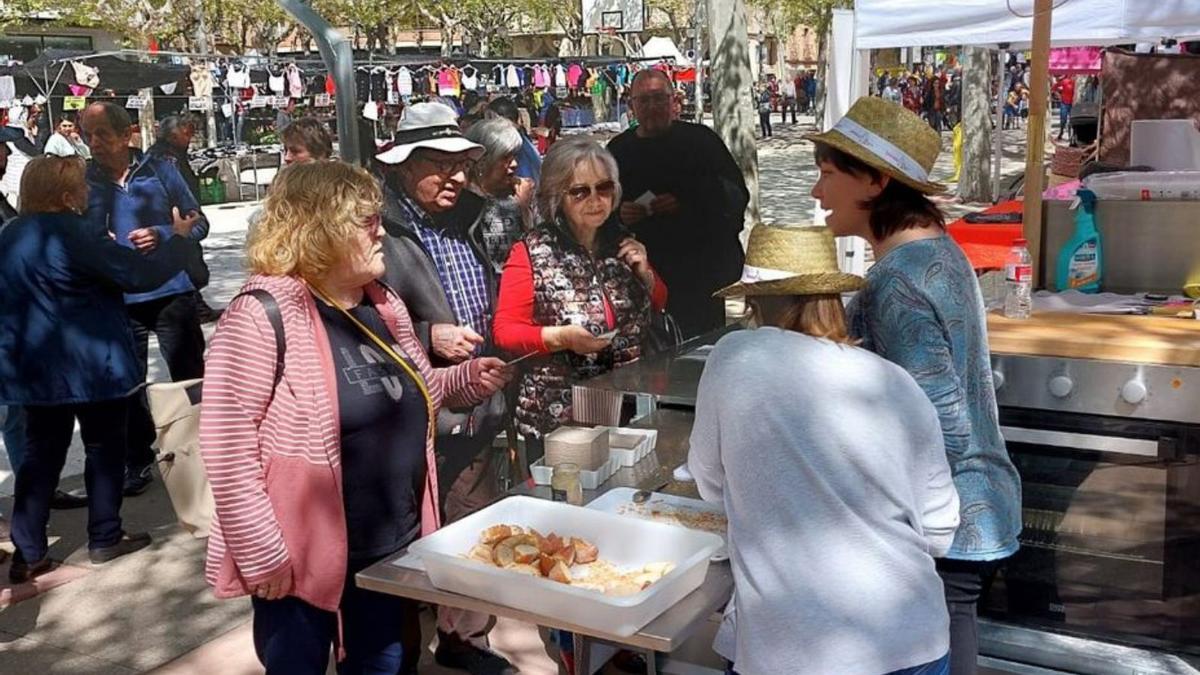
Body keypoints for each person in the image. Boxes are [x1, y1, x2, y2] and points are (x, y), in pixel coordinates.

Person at [200, 160, 512, 675]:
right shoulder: (260, 314)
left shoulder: (382, 303)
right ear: (320, 229)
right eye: (368, 221)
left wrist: (467, 379)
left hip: (389, 543)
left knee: (387, 664)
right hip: (299, 555)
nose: (382, 231)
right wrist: (260, 552)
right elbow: (227, 449)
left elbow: (417, 393)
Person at [806, 97, 1022, 675]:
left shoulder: (896, 281)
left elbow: (939, 421)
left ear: (875, 182)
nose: (815, 192)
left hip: (946, 524)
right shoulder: (941, 252)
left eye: (828, 174)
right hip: (977, 507)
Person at [689, 225, 959, 675]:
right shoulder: (895, 383)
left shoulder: (734, 356)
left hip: (793, 651)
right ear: (834, 297)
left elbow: (710, 484)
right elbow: (939, 531)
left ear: (754, 303)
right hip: (912, 639)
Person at [0, 155, 203, 582]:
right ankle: (105, 535)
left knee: (40, 454)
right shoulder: (79, 233)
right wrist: (180, 240)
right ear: (67, 195)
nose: (89, 192)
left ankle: (28, 549)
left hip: (36, 367)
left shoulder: (10, 234)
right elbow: (137, 275)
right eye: (82, 186)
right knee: (104, 449)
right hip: (92, 364)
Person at [373, 102, 516, 675]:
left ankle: (463, 638)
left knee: (471, 516)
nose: (457, 176)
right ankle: (403, 643)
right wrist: (429, 333)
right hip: (414, 405)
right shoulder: (380, 228)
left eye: (463, 162)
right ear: (405, 167)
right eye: (441, 163)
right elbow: (355, 312)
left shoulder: (472, 217)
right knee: (409, 534)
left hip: (478, 396)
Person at [494, 136, 667, 443]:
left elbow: (659, 302)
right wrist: (560, 338)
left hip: (628, 404)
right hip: (561, 418)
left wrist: (645, 273)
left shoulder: (622, 240)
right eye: (580, 191)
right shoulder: (531, 251)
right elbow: (505, 331)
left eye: (604, 188)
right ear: (557, 195)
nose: (595, 199)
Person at [81, 101, 210, 497]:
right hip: (119, 296)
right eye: (88, 135)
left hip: (171, 290)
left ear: (126, 135)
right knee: (127, 384)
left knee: (190, 377)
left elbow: (199, 223)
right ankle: (138, 460)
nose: (95, 143)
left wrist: (165, 233)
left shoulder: (161, 170)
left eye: (102, 133)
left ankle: (210, 451)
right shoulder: (84, 181)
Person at [607, 69, 748, 339]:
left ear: (674, 102)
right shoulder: (617, 151)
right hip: (640, 273)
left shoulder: (702, 142)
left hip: (699, 272)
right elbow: (597, 207)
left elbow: (734, 195)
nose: (652, 107)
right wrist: (619, 212)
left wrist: (686, 204)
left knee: (701, 349)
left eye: (659, 98)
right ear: (631, 105)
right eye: (644, 100)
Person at [464, 117, 534, 268]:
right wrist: (519, 206)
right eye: (505, 158)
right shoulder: (466, 203)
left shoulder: (513, 191)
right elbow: (502, 259)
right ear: (482, 162)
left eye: (515, 156)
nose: (514, 164)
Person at [486, 97, 542, 185]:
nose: (486, 125)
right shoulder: (523, 138)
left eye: (489, 119)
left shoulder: (511, 143)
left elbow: (523, 174)